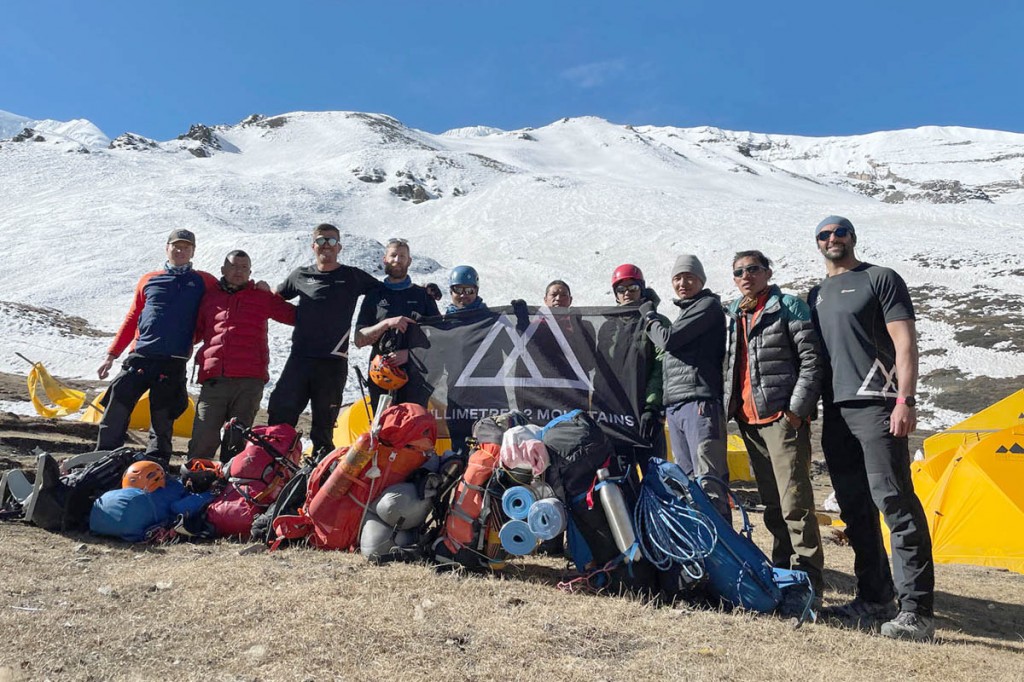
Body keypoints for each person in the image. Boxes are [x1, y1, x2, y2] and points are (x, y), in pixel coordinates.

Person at [808, 215, 935, 640]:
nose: (832, 239)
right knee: (855, 508)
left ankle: (916, 610)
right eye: (824, 235)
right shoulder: (816, 294)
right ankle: (874, 597)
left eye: (839, 232)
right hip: (836, 412)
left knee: (895, 503)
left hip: (879, 406)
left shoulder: (880, 279)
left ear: (852, 238)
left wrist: (905, 400)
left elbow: (905, 341)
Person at [723, 250, 824, 601]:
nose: (746, 275)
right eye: (739, 271)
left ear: (767, 271)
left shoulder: (788, 307)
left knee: (795, 502)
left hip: (781, 420)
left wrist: (795, 411)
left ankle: (809, 583)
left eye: (752, 269)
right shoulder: (736, 312)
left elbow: (813, 360)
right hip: (749, 421)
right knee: (773, 505)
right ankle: (784, 574)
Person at [95, 229, 217, 461]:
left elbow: (225, 299)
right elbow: (132, 318)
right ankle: (102, 459)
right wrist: (111, 355)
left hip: (173, 362)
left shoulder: (204, 281)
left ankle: (156, 464)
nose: (181, 251)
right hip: (140, 356)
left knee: (163, 420)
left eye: (186, 247)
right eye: (176, 246)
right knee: (116, 408)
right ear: (167, 248)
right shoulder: (149, 279)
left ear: (193, 251)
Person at [267, 224, 382, 459]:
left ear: (339, 247)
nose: (326, 246)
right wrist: (257, 288)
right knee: (280, 415)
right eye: (321, 241)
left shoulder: (352, 276)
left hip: (332, 362)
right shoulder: (301, 275)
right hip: (299, 359)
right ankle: (273, 467)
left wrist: (419, 291)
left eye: (331, 241)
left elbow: (386, 292)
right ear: (313, 246)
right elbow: (275, 297)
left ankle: (318, 474)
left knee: (323, 425)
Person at [640, 255, 729, 521]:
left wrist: (649, 316)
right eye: (677, 278)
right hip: (677, 405)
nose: (683, 282)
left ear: (701, 280)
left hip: (699, 402)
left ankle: (724, 551)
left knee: (707, 479)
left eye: (689, 277)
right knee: (687, 481)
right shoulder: (687, 311)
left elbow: (668, 340)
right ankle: (702, 549)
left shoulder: (707, 306)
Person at [188, 250, 296, 462]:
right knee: (203, 437)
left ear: (250, 272)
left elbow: (293, 316)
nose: (239, 271)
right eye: (234, 266)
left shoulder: (261, 297)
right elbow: (195, 332)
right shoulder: (209, 298)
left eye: (244, 268)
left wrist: (276, 293)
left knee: (236, 442)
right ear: (223, 269)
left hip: (249, 381)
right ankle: (194, 482)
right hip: (214, 380)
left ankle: (230, 490)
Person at [597, 264, 667, 476]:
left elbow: (661, 366)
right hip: (616, 415)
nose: (627, 293)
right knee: (621, 476)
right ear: (616, 295)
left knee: (654, 474)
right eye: (621, 289)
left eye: (633, 287)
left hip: (646, 411)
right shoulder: (608, 327)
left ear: (642, 289)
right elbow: (600, 369)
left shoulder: (656, 322)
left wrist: (652, 407)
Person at [354, 238, 439, 409]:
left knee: (412, 430)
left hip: (417, 378)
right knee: (383, 430)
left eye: (402, 256)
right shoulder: (374, 296)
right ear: (384, 259)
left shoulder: (423, 295)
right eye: (393, 255)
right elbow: (359, 339)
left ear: (409, 261)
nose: (397, 260)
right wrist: (386, 323)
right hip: (381, 376)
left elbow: (440, 339)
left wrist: (410, 355)